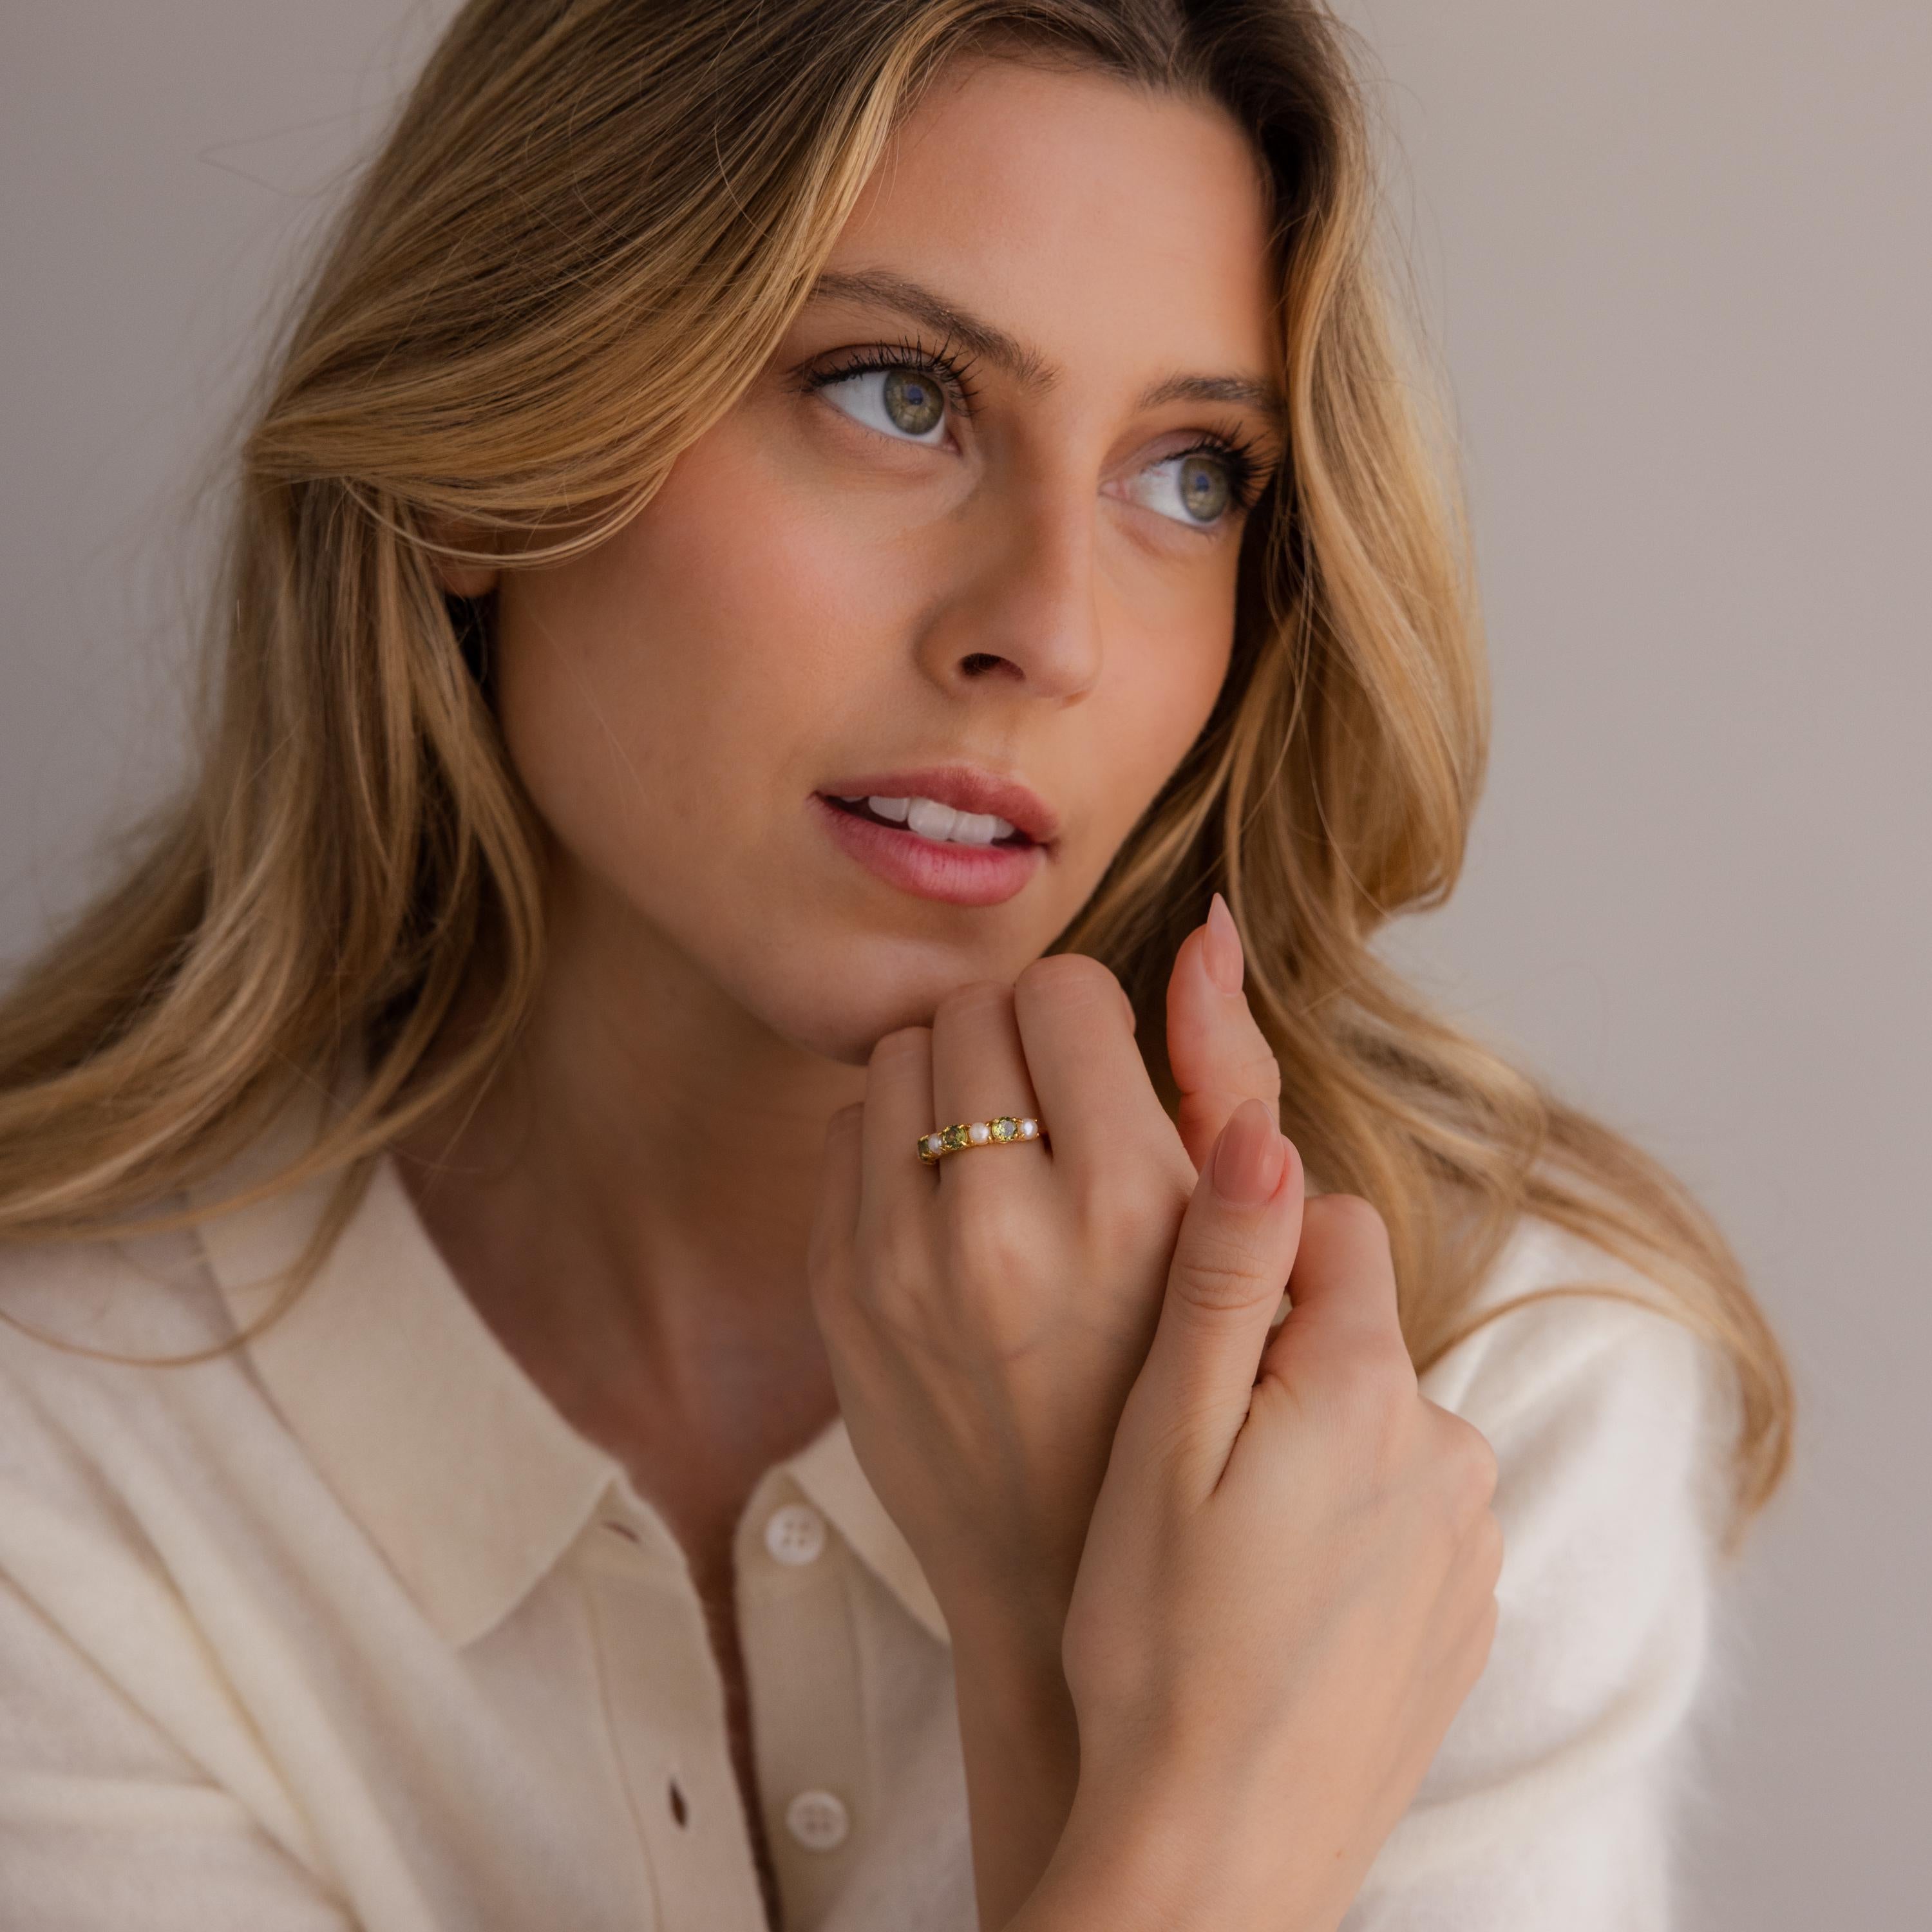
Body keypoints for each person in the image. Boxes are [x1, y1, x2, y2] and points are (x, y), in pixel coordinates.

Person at [0, 3, 1792, 1929]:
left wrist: (1047, 1654)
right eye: (897, 394)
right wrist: (1142, 1769)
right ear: (480, 473)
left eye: (1191, 474)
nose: (1053, 629)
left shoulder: (1481, 1388)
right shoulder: (66, 1449)